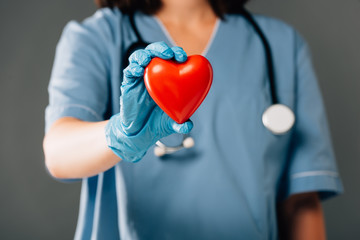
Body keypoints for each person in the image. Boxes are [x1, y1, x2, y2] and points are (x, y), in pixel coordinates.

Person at [43, 0, 343, 239]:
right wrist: (120, 134)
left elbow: (301, 201)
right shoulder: (96, 37)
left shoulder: (282, 44)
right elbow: (58, 152)